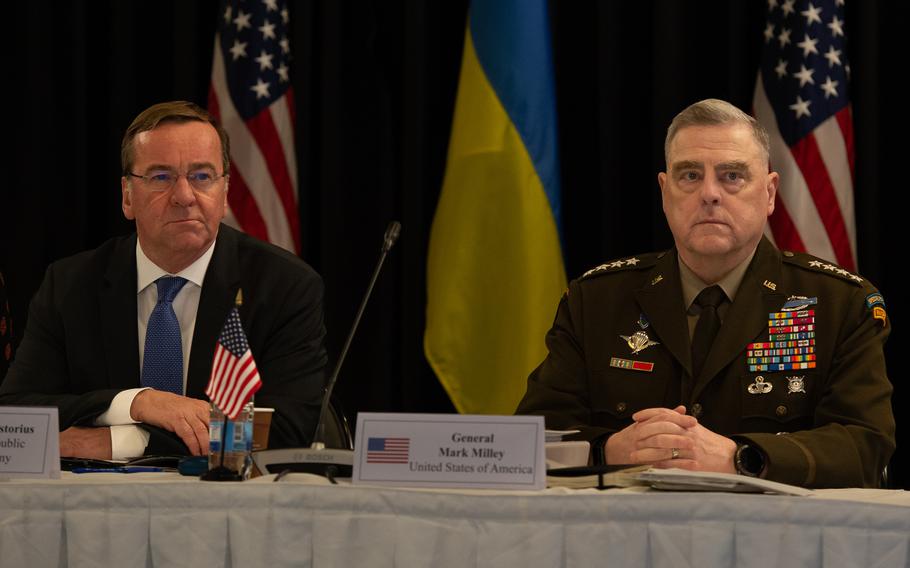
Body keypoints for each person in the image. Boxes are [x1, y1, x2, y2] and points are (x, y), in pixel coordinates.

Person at [517, 99, 894, 488]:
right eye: (690, 175)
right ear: (665, 192)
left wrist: (742, 458)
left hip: (774, 540)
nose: (709, 193)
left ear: (769, 193)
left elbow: (865, 446)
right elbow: (533, 437)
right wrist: (608, 450)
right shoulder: (596, 301)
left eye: (732, 176)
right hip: (624, 536)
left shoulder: (840, 304)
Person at [0, 101, 327, 460]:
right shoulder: (69, 284)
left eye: (202, 176)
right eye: (161, 177)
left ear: (225, 193)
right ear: (127, 196)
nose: (184, 196)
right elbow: (17, 416)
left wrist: (121, 441)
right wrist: (138, 402)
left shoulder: (284, 286)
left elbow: (286, 432)